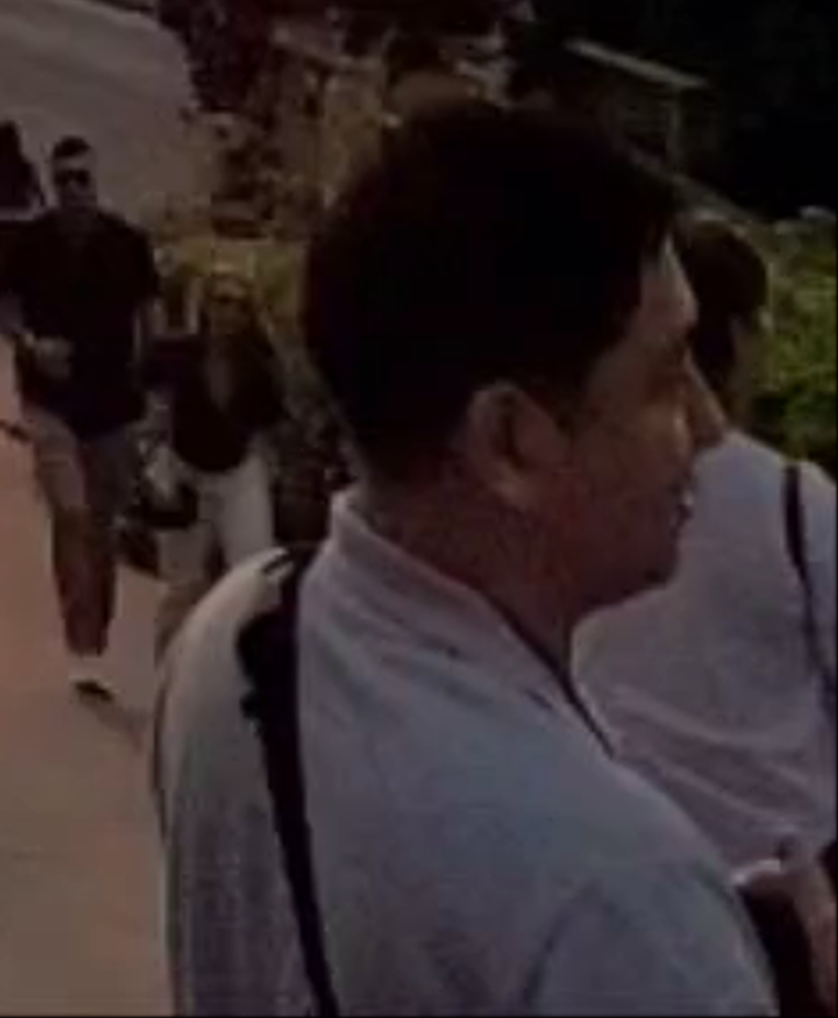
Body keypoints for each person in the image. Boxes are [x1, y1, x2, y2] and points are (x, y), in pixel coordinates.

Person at [158, 96, 833, 1017]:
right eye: (668, 380)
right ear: (510, 439)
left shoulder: (236, 633)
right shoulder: (607, 885)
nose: (707, 432)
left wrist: (714, 938)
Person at [578, 209, 838, 882]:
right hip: (795, 873)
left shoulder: (578, 503)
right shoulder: (793, 499)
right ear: (741, 336)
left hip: (634, 860)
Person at [6, 127, 164, 690]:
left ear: (97, 184)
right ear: (53, 185)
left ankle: (96, 627)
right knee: (69, 513)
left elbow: (151, 317)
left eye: (84, 179)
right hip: (49, 400)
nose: (75, 190)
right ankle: (79, 638)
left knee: (100, 525)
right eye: (65, 180)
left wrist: (153, 383)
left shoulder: (128, 244)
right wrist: (31, 345)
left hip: (113, 404)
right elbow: (7, 311)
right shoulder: (30, 243)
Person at [147, 273, 296, 629]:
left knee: (255, 574)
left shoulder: (258, 363)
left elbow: (272, 420)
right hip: (183, 469)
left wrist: (276, 466)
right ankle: (173, 672)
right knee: (182, 589)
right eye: (222, 302)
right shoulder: (176, 353)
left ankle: (241, 666)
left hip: (237, 471)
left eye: (239, 305)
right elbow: (143, 396)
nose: (229, 313)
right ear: (206, 307)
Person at [0, 112, 46, 331]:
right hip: (23, 221)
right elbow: (37, 192)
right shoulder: (24, 164)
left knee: (3, 265)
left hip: (0, 221)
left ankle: (2, 311)